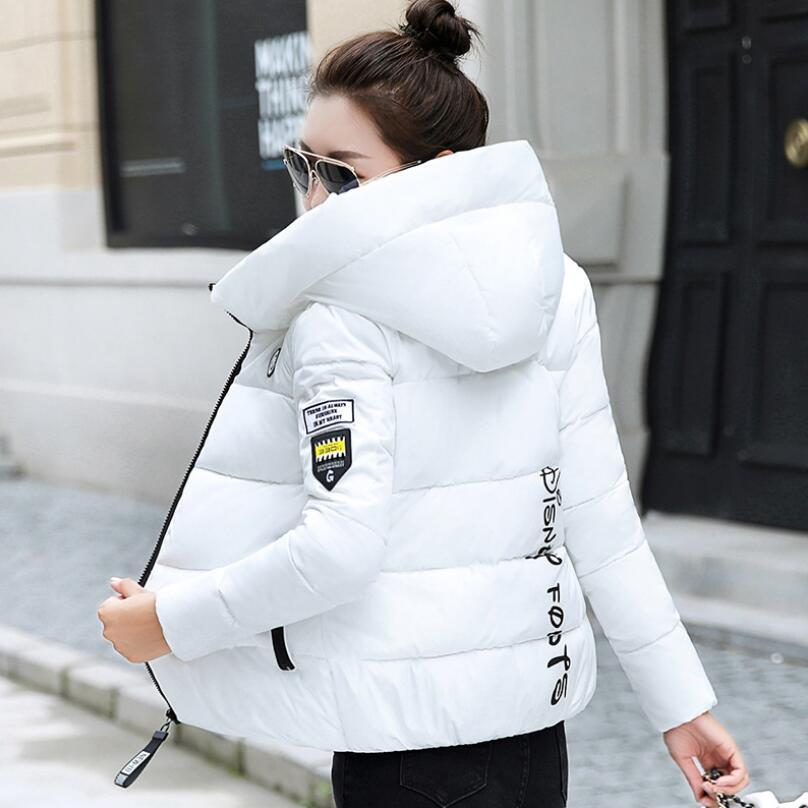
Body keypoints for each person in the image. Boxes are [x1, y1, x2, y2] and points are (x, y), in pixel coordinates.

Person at [98, 1, 750, 805]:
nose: (316, 200)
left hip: (404, 754)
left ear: (438, 171)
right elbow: (601, 520)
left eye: (343, 173)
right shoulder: (556, 288)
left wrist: (170, 622)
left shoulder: (341, 314)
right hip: (529, 741)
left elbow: (338, 550)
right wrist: (681, 706)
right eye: (303, 167)